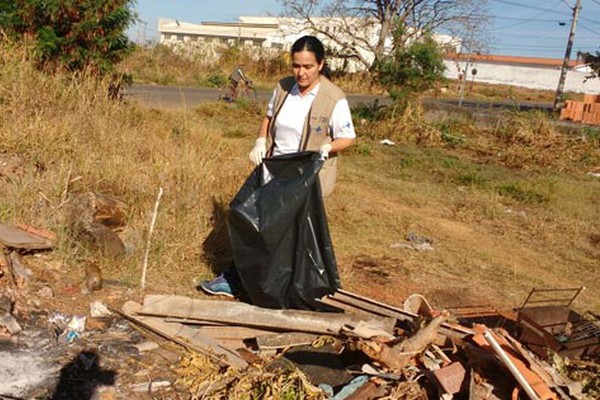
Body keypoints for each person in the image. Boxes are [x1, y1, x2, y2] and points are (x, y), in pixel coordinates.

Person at [200, 35, 356, 298]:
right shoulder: (284, 87)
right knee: (249, 219)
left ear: (320, 64)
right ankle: (237, 279)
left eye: (307, 66)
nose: (301, 73)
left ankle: (282, 288)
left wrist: (328, 147)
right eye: (296, 66)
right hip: (275, 169)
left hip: (305, 179)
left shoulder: (333, 98)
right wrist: (261, 140)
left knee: (288, 235)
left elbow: (348, 137)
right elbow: (269, 116)